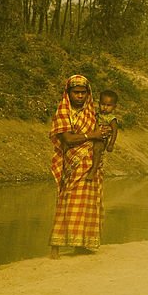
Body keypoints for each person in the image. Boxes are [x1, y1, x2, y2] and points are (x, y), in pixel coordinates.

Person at [48, 74, 110, 259]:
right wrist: (92, 135)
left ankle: (81, 245)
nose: (80, 96)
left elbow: (103, 134)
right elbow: (67, 139)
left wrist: (102, 136)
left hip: (92, 164)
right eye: (76, 92)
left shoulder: (91, 113)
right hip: (73, 163)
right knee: (67, 202)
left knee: (88, 204)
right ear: (68, 93)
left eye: (83, 93)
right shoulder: (63, 112)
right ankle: (55, 246)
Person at [86, 89, 120, 181]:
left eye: (108, 105)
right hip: (93, 135)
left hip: (102, 139)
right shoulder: (96, 114)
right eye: (103, 104)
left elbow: (114, 131)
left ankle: (94, 169)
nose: (105, 107)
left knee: (97, 150)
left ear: (114, 107)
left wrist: (111, 144)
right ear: (99, 103)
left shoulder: (112, 119)